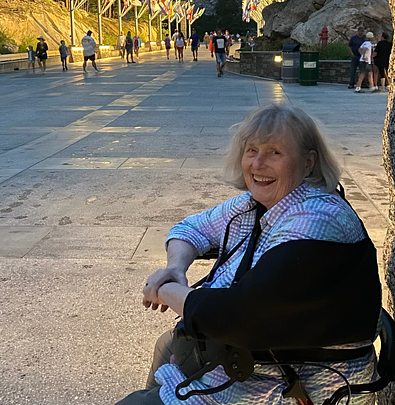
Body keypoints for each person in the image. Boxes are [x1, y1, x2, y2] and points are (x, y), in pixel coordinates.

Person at [115, 104, 381, 405]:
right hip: (243, 360)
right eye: (251, 150)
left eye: (275, 153)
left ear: (308, 163)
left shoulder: (317, 218)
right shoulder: (253, 205)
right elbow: (189, 228)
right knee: (169, 345)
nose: (258, 163)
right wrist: (176, 267)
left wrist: (168, 291)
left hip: (289, 385)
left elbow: (238, 316)